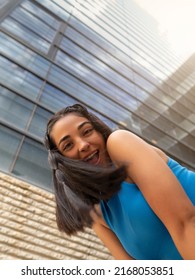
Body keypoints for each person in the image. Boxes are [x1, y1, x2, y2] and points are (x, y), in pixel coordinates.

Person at [44, 103, 195, 260]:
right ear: (62, 160)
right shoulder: (93, 211)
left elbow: (185, 224)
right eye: (68, 145)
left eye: (87, 131)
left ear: (99, 131)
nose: (83, 145)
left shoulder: (120, 143)